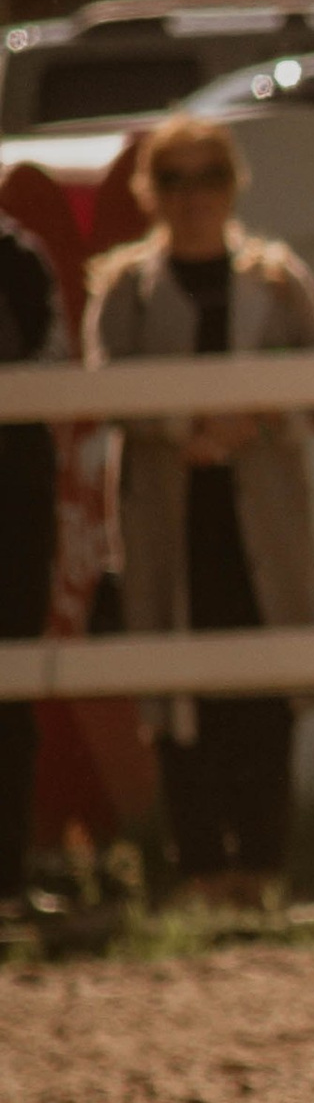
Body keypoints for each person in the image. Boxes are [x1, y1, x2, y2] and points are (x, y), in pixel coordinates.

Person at [85, 118, 314, 906]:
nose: (193, 197)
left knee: (269, 694)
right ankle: (200, 874)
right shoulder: (124, 287)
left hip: (261, 513)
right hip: (170, 517)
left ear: (233, 184)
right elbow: (101, 393)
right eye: (174, 180)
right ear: (149, 193)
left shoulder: (277, 277)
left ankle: (261, 871)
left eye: (208, 177)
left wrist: (253, 420)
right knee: (179, 702)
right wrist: (178, 429)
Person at [0, 210, 66, 901]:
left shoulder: (19, 258)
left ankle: (8, 875)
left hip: (14, 501)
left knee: (12, 689)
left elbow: (52, 364)